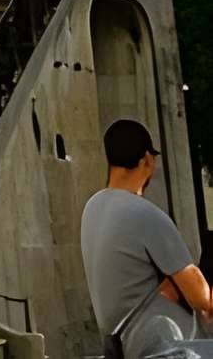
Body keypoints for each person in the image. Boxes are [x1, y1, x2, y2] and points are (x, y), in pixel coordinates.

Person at [81, 119, 213, 356]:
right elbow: (202, 298)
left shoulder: (93, 207)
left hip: (119, 342)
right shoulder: (145, 214)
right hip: (162, 345)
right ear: (147, 160)